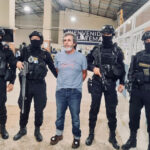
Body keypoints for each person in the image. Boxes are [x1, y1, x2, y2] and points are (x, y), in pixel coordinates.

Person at [85, 25, 125, 149]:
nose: (106, 36)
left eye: (108, 34)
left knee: (111, 111)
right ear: (101, 35)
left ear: (112, 35)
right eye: (104, 34)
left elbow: (122, 68)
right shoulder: (96, 49)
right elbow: (87, 62)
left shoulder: (117, 50)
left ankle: (112, 136)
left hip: (111, 83)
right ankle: (91, 133)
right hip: (97, 82)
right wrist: (93, 68)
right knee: (94, 108)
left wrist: (122, 83)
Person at [13, 31, 57, 142]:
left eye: (37, 39)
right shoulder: (24, 51)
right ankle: (22, 129)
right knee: (24, 108)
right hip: (26, 84)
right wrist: (17, 62)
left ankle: (37, 130)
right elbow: (14, 59)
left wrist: (62, 79)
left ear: (41, 40)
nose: (34, 40)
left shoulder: (45, 54)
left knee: (39, 109)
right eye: (32, 39)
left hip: (39, 85)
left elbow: (53, 68)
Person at [50, 32, 87, 149]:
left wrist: (77, 84)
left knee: (75, 117)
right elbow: (57, 70)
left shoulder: (81, 57)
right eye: (65, 40)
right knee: (59, 115)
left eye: (69, 40)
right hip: (60, 90)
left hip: (75, 92)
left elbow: (84, 73)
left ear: (74, 43)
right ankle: (59, 134)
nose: (66, 42)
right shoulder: (58, 56)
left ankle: (76, 137)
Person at [122, 31, 150, 150]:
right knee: (133, 117)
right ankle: (132, 140)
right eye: (147, 40)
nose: (148, 42)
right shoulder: (137, 56)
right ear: (143, 42)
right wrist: (132, 81)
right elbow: (130, 73)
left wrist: (144, 76)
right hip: (137, 92)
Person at [0, 28, 16, 139]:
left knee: (1, 105)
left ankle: (2, 128)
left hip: (1, 81)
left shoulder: (6, 49)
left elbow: (13, 65)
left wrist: (12, 81)